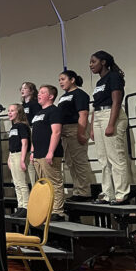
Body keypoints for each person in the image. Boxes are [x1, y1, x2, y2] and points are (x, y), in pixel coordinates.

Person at [90, 50, 130, 205]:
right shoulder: (99, 82)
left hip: (111, 114)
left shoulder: (114, 77)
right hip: (99, 116)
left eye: (93, 61)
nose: (90, 65)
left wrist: (111, 123)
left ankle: (121, 193)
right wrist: (93, 127)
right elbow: (95, 105)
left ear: (103, 62)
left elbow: (116, 101)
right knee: (103, 159)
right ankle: (107, 194)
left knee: (115, 156)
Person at [31, 85, 66, 221]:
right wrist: (33, 151)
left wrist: (50, 152)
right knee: (43, 184)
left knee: (54, 182)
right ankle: (48, 209)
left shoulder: (54, 111)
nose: (39, 95)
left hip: (49, 154)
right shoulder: (38, 113)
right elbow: (34, 133)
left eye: (42, 92)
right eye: (39, 92)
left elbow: (56, 132)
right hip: (38, 154)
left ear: (51, 96)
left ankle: (58, 211)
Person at [58, 70, 93, 202]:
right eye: (59, 80)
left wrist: (81, 132)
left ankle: (84, 192)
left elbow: (83, 114)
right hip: (65, 130)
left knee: (79, 160)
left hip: (75, 127)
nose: (61, 82)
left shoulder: (80, 94)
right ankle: (78, 190)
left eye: (63, 79)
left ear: (72, 80)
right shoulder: (63, 97)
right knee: (70, 162)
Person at [6, 104, 31, 218]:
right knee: (16, 183)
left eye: (12, 111)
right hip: (13, 155)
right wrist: (9, 157)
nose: (9, 113)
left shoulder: (22, 126)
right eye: (8, 111)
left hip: (20, 154)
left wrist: (22, 159)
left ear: (19, 112)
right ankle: (20, 206)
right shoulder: (13, 127)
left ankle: (26, 207)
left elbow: (24, 142)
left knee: (22, 183)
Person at [20, 82, 40, 184]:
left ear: (32, 91)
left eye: (25, 88)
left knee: (33, 158)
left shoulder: (35, 104)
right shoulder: (22, 105)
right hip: (23, 131)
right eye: (21, 88)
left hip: (32, 129)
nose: (22, 90)